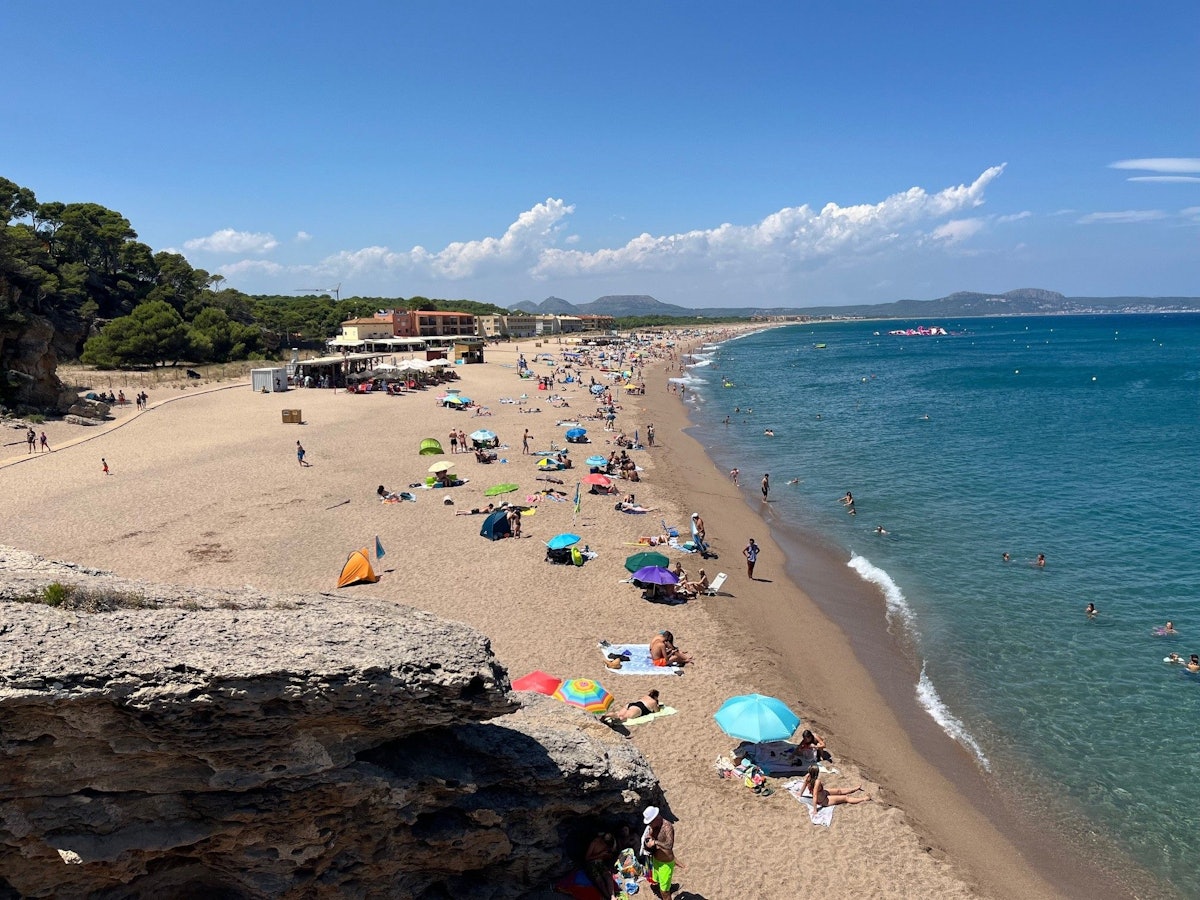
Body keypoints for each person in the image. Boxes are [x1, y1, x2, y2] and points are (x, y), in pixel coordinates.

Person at [640, 806, 676, 900]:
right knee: (656, 880)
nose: (650, 825)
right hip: (656, 860)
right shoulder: (654, 826)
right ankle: (663, 887)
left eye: (651, 822)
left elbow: (669, 845)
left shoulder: (667, 827)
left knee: (665, 892)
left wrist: (655, 842)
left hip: (665, 863)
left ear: (656, 818)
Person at [800, 765, 870, 808]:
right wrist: (815, 809)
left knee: (839, 791)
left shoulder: (807, 777)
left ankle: (854, 789)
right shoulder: (817, 782)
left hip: (823, 794)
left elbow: (804, 785)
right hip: (823, 800)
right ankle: (864, 799)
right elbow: (815, 795)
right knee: (846, 798)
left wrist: (800, 794)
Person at [583, 831, 617, 898]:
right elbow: (587, 858)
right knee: (600, 880)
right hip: (591, 863)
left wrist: (606, 855)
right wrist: (599, 855)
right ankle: (608, 896)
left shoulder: (608, 844)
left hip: (600, 862)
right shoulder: (595, 842)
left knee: (608, 876)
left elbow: (608, 856)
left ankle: (612, 896)